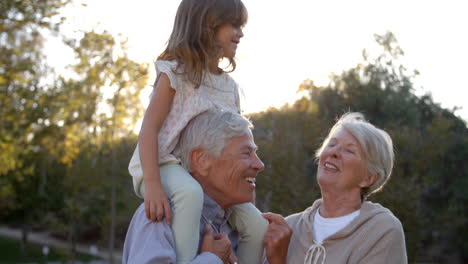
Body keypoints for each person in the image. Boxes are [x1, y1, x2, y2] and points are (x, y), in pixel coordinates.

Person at [127, 0, 268, 263]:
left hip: (200, 170)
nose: (241, 33)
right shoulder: (175, 74)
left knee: (257, 224)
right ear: (207, 25)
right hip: (163, 163)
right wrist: (154, 183)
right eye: (234, 25)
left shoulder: (229, 86)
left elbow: (234, 141)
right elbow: (149, 130)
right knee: (190, 194)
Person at [123, 110, 292, 264]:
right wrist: (212, 259)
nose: (259, 164)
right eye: (246, 153)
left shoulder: (248, 232)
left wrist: (278, 261)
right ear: (202, 160)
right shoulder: (159, 217)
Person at [282, 112, 407, 264]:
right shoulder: (289, 227)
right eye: (332, 144)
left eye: (349, 150)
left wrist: (277, 260)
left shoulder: (382, 230)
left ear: (368, 178)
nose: (333, 153)